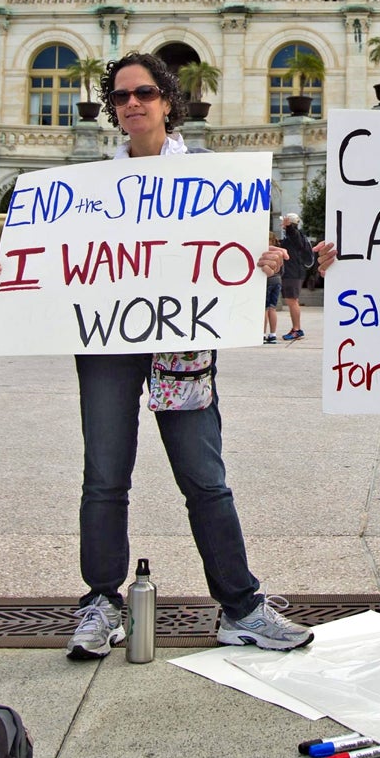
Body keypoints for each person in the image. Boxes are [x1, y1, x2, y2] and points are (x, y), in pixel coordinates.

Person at [64, 51, 313, 658]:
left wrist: (265, 262)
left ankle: (240, 605)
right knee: (104, 476)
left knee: (205, 477)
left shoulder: (212, 175)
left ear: (168, 101)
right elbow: (57, 261)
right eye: (121, 96)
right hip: (109, 343)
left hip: (181, 339)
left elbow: (245, 253)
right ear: (112, 109)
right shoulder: (88, 182)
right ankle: (100, 602)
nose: (133, 104)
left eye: (145, 93)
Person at [277, 213, 316, 341]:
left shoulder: (295, 235)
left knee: (292, 301)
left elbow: (293, 233)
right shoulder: (296, 237)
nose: (282, 225)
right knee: (292, 301)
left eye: (284, 222)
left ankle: (297, 329)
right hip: (293, 273)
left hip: (293, 273)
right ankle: (296, 328)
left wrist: (289, 227)